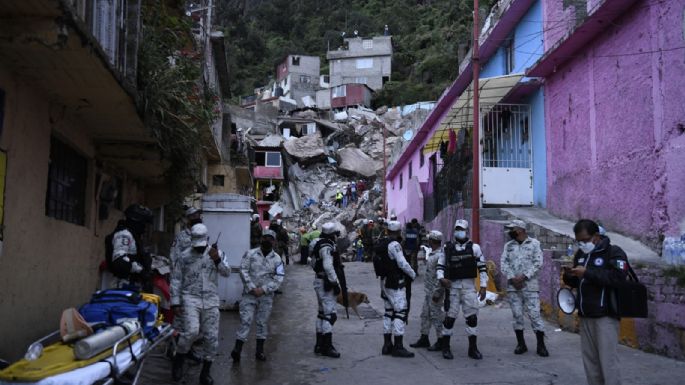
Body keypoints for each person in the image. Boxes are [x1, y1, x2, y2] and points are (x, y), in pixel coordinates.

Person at [563, 219, 629, 385]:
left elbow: (618, 279)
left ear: (596, 236)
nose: (582, 244)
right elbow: (578, 283)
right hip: (585, 316)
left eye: (585, 240)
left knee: (608, 363)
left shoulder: (613, 252)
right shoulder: (580, 255)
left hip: (605, 317)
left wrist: (587, 273)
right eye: (579, 241)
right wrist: (569, 276)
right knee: (591, 364)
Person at [170, 224, 230, 384]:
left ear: (207, 240)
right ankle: (179, 358)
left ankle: (205, 372)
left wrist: (217, 259)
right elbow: (176, 279)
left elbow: (227, 273)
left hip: (210, 300)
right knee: (191, 331)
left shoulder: (217, 254)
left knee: (211, 338)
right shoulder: (184, 256)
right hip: (191, 298)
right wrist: (175, 302)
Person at [436, 219, 487, 360]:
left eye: (461, 229)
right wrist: (441, 278)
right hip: (452, 287)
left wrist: (483, 286)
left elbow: (482, 268)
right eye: (457, 229)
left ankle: (473, 348)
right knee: (449, 318)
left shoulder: (475, 248)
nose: (459, 231)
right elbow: (440, 265)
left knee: (472, 318)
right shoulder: (447, 248)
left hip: (469, 287)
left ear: (466, 231)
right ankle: (446, 348)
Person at [231, 229, 285, 362]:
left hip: (266, 296)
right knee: (245, 321)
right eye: (265, 238)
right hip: (249, 295)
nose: (267, 240)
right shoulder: (250, 254)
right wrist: (251, 287)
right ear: (261, 239)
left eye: (270, 238)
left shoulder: (277, 259)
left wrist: (265, 289)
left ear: (274, 241)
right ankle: (237, 350)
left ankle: (259, 352)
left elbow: (279, 278)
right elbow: (243, 270)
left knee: (262, 322)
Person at [500, 219, 548, 357]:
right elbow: (504, 263)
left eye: (512, 229)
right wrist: (512, 278)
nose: (510, 232)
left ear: (520, 229)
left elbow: (538, 263)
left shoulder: (534, 244)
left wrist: (524, 277)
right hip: (513, 287)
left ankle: (541, 345)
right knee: (517, 315)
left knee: (535, 315)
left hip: (530, 286)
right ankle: (521, 344)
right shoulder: (508, 246)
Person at [376, 220, 417, 358]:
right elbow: (402, 263)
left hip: (384, 281)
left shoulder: (382, 243)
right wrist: (412, 274)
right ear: (399, 231)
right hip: (395, 283)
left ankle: (387, 344)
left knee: (388, 312)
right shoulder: (395, 245)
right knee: (400, 312)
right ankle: (398, 347)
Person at [309, 222, 343, 358]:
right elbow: (328, 266)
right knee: (330, 315)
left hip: (318, 280)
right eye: (335, 234)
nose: (336, 237)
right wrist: (335, 282)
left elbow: (312, 261)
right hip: (326, 283)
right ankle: (327, 347)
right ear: (331, 234)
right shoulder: (327, 247)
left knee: (321, 314)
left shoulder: (316, 243)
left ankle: (319, 344)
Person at [105, 204, 153, 291]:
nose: (145, 228)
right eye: (144, 224)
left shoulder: (134, 236)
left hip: (134, 286)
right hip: (123, 287)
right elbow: (120, 261)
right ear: (136, 222)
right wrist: (140, 270)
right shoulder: (124, 235)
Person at [410, 230, 445, 350]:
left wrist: (438, 292)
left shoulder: (440, 255)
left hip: (435, 292)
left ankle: (441, 340)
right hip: (428, 291)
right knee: (425, 315)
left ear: (431, 241)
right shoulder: (433, 253)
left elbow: (442, 276)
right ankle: (424, 338)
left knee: (436, 315)